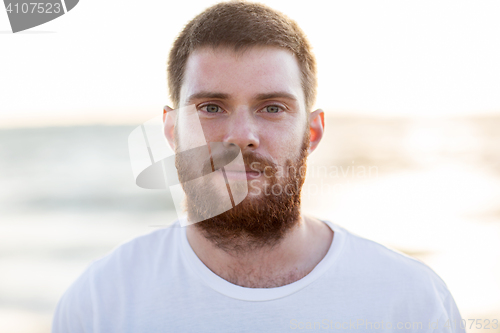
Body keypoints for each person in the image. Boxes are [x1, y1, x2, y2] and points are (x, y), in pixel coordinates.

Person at [52, 1, 465, 332]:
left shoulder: (411, 301)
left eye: (272, 108)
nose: (242, 135)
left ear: (313, 132)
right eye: (211, 107)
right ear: (172, 129)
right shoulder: (99, 304)